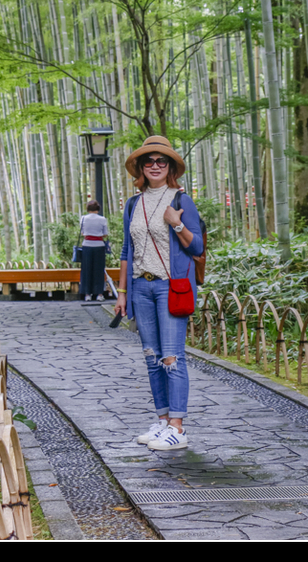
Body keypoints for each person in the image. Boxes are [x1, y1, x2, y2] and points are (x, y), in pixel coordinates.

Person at [114, 136, 203, 451]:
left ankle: (178, 427)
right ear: (140, 167)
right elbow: (127, 250)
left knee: (172, 358)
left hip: (169, 286)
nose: (155, 165)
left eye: (161, 161)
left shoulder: (180, 200)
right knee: (152, 357)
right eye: (148, 161)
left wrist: (177, 225)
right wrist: (122, 293)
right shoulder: (132, 204)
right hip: (141, 286)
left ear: (170, 168)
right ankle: (163, 420)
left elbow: (197, 247)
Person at [79, 200, 109, 302]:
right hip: (99, 246)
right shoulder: (102, 219)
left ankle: (87, 294)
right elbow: (105, 234)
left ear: (88, 209)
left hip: (87, 245)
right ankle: (99, 294)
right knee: (99, 270)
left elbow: (82, 232)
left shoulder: (83, 218)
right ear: (98, 209)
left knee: (86, 270)